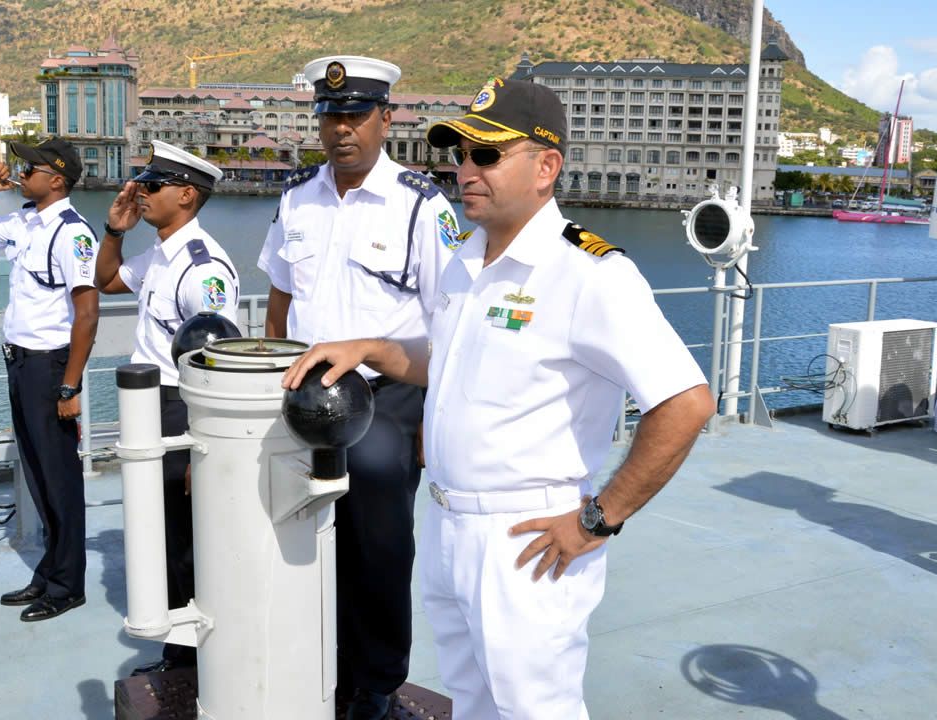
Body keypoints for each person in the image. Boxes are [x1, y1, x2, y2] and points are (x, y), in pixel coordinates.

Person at [281, 77, 714, 719]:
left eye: (486, 156)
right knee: (475, 703)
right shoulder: (467, 258)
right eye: (460, 155)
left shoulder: (589, 274)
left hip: (528, 537)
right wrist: (370, 347)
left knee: (536, 708)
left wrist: (600, 518)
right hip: (451, 524)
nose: (465, 171)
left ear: (546, 167)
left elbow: (686, 402)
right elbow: (449, 361)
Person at [257, 55, 463, 720]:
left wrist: (434, 419)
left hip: (386, 394)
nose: (342, 129)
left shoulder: (421, 206)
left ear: (385, 119)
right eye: (331, 115)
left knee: (377, 543)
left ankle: (375, 685)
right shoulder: (296, 200)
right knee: (296, 535)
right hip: (306, 394)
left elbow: (449, 323)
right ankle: (314, 666)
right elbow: (278, 305)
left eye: (356, 116)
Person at [94, 140, 238, 675]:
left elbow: (218, 359)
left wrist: (203, 446)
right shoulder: (160, 252)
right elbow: (105, 281)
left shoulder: (204, 269)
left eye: (152, 186)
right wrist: (115, 230)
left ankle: (194, 661)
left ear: (186, 194)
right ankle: (178, 654)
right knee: (159, 532)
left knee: (185, 539)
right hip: (148, 405)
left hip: (183, 407)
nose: (141, 192)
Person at [0, 138, 98, 622]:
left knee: (60, 479)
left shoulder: (73, 234)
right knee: (36, 473)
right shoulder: (24, 221)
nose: (18, 171)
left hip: (50, 366)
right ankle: (50, 569)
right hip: (20, 362)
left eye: (28, 166)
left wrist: (70, 386)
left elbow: (88, 313)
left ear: (57, 179)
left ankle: (68, 584)